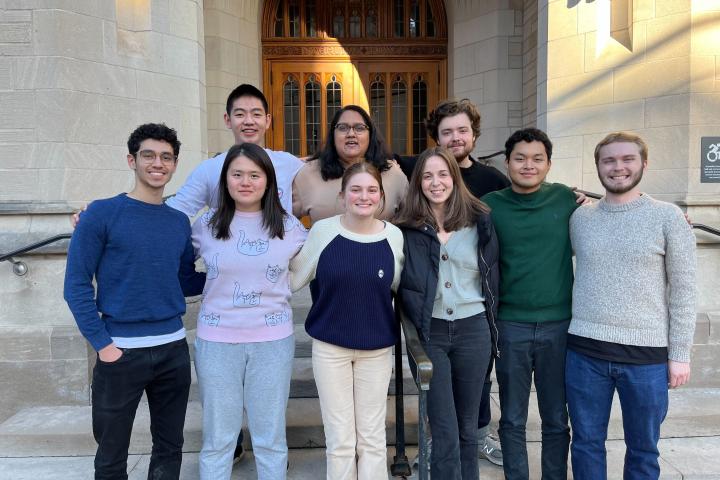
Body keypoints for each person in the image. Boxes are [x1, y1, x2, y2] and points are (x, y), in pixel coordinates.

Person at [63, 123, 206, 479]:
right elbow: (76, 285)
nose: (158, 163)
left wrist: (243, 271)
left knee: (169, 449)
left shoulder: (178, 223)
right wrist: (103, 345)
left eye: (167, 157)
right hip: (120, 353)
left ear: (174, 165)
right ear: (132, 160)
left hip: (172, 349)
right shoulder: (100, 213)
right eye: (149, 155)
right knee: (111, 455)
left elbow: (187, 281)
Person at [566, 132, 696, 479]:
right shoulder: (580, 219)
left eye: (627, 159)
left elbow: (684, 291)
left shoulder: (668, 217)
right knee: (585, 443)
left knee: (643, 449)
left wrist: (680, 354)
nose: (618, 167)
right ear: (598, 166)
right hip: (584, 354)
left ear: (644, 164)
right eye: (609, 160)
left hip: (646, 359)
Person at [191, 143, 307, 480]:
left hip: (271, 342)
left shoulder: (290, 227)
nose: (246, 181)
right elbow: (167, 247)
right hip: (217, 342)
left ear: (268, 181)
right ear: (225, 180)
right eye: (237, 174)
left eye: (254, 175)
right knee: (218, 439)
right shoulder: (206, 225)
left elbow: (326, 250)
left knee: (270, 438)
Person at [290, 162, 405, 480]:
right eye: (355, 189)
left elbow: (401, 287)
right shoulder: (323, 232)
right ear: (342, 196)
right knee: (340, 441)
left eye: (372, 190)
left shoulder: (394, 237)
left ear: (381, 197)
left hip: (376, 351)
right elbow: (293, 278)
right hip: (330, 350)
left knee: (372, 439)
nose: (363, 196)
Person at [395, 146, 499, 480]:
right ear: (418, 182)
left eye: (443, 174)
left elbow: (494, 274)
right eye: (427, 176)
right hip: (432, 333)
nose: (435, 182)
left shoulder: (480, 220)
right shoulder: (406, 228)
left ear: (454, 178)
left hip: (474, 331)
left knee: (468, 427)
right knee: (443, 427)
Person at [482, 128, 576, 480]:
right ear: (507, 163)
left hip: (559, 326)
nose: (528, 165)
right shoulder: (490, 205)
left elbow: (612, 213)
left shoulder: (567, 199)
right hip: (510, 326)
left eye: (537, 159)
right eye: (520, 158)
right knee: (512, 417)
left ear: (549, 164)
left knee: (555, 417)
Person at [423, 98, 508, 466]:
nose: (455, 138)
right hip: (435, 326)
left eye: (462, 130)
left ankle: (471, 445)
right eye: (447, 132)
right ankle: (440, 456)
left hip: (475, 322)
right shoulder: (419, 183)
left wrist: (576, 201)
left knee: (469, 415)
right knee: (443, 420)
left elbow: (527, 198)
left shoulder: (492, 185)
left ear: (474, 133)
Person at [293, 105, 408, 223]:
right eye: (343, 128)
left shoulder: (392, 173)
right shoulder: (309, 173)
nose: (351, 134)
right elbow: (284, 221)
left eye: (359, 128)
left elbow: (410, 221)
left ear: (370, 134)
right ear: (333, 135)